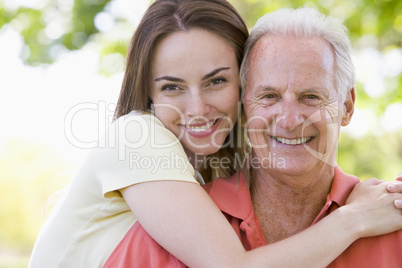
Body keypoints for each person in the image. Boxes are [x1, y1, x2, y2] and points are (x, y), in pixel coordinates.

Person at [29, 1, 402, 267]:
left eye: (216, 81)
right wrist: (354, 220)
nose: (197, 108)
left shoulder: (203, 173)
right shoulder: (135, 139)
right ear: (148, 95)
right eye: (172, 87)